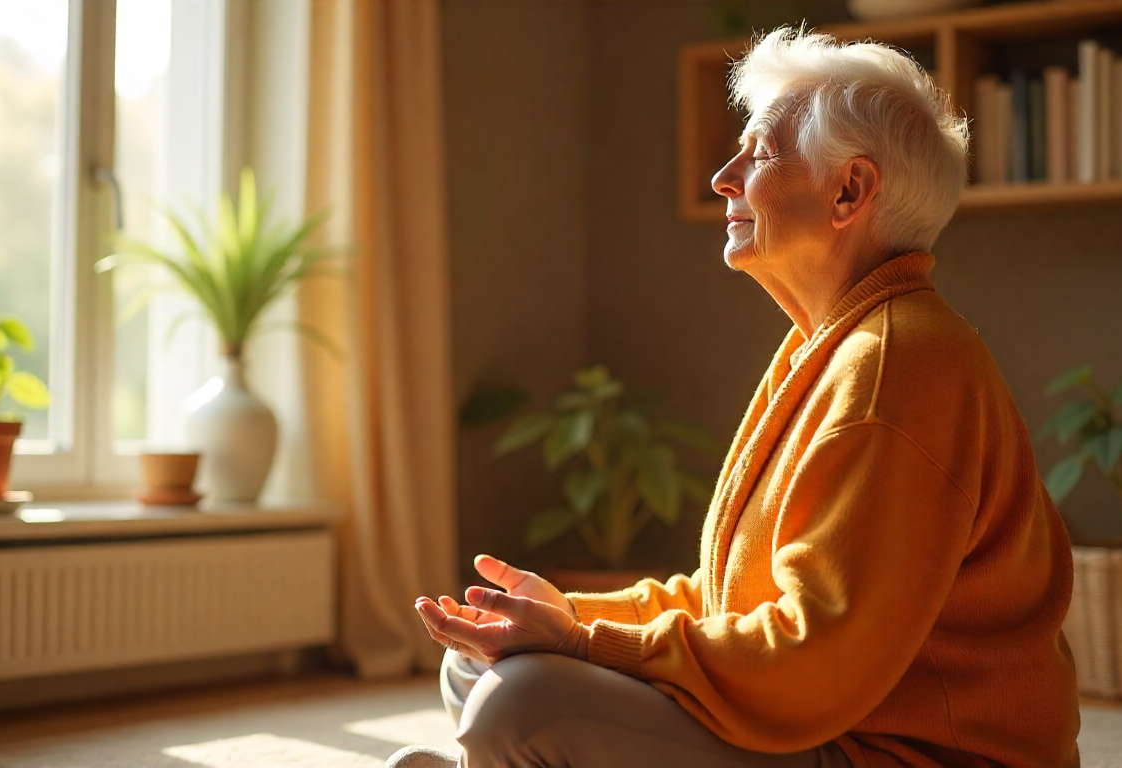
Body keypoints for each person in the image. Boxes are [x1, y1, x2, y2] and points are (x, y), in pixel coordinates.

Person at [392, 26, 1080, 768]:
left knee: (520, 703)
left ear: (850, 189)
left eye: (757, 155)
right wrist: (563, 616)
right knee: (477, 662)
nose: (723, 177)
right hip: (818, 717)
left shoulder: (896, 363)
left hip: (898, 753)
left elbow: (810, 662)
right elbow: (734, 607)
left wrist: (580, 645)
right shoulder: (831, 344)